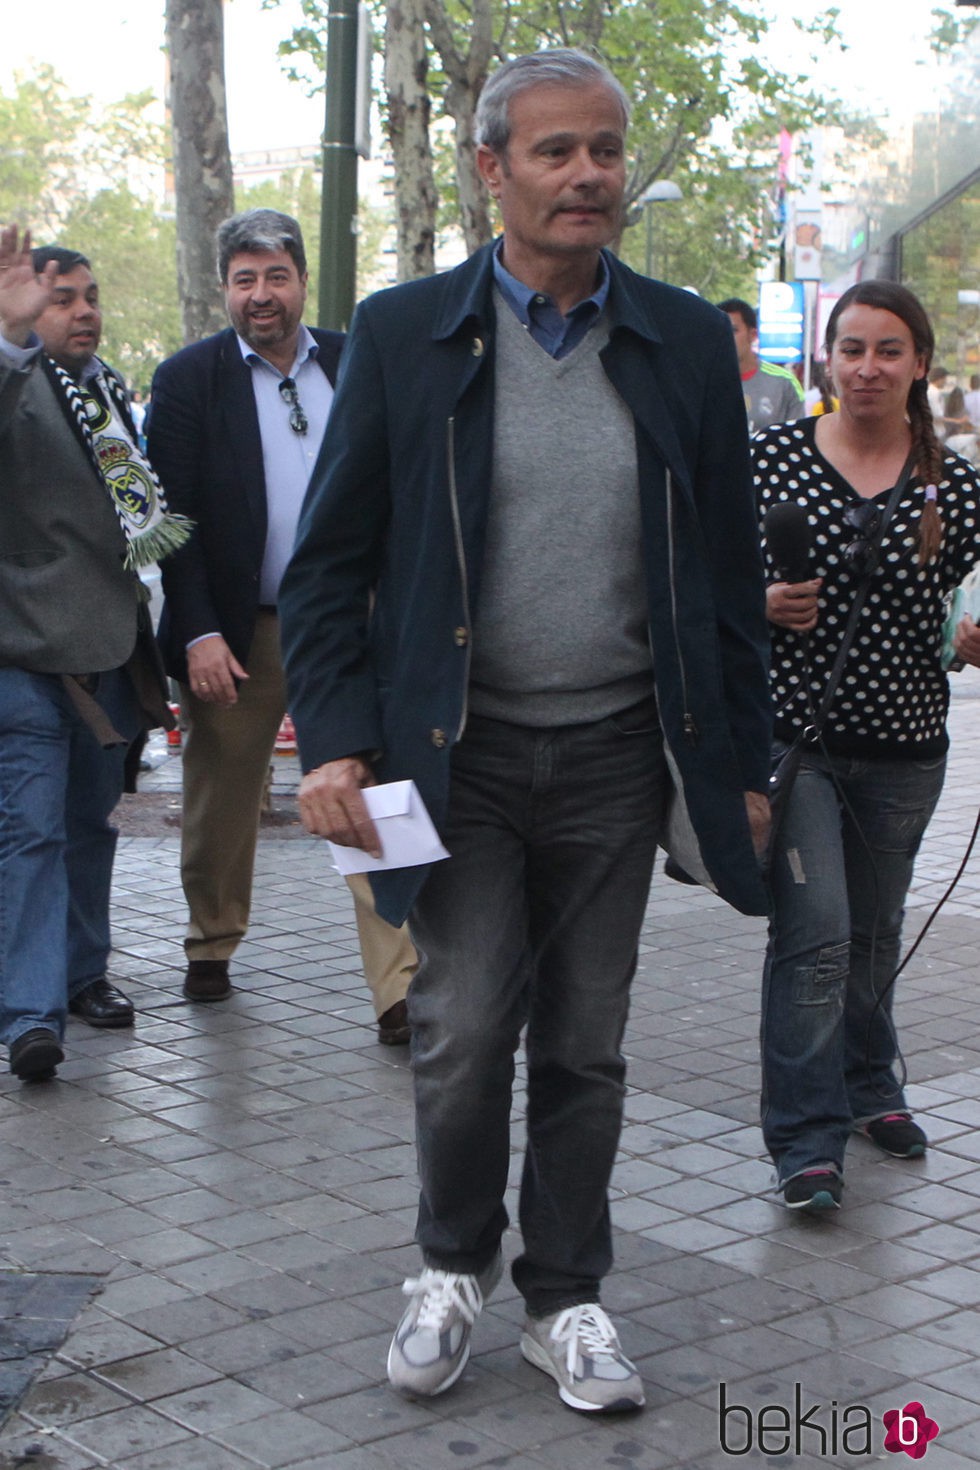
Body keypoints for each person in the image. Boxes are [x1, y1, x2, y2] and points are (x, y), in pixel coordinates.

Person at [280, 50, 771, 1413]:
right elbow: (329, 567)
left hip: (623, 755)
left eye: (605, 151)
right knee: (461, 1025)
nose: (588, 176)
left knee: (586, 1041)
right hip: (460, 757)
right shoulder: (403, 333)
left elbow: (728, 578)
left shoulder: (678, 338)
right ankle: (449, 1263)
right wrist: (335, 738)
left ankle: (566, 1292)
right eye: (555, 152)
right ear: (492, 169)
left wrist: (746, 769)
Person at [148, 209, 416, 1041]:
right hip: (241, 628)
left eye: (275, 277)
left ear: (301, 280)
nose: (260, 295)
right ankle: (212, 941)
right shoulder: (190, 379)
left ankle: (401, 986)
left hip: (351, 623)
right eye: (244, 279)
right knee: (223, 795)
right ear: (225, 288)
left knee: (372, 786)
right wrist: (196, 632)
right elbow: (172, 519)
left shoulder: (355, 357)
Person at [756, 280, 980, 1214]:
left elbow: (961, 608)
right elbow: (697, 588)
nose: (868, 368)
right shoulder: (771, 461)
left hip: (905, 750)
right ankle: (806, 1140)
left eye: (889, 350)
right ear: (827, 361)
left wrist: (968, 639)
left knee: (875, 934)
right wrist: (756, 606)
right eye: (852, 349)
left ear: (920, 363)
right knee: (814, 941)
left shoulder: (955, 487)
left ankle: (869, 1084)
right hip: (797, 752)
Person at [0, 226, 181, 1082]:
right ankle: (30, 1016)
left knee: (87, 824)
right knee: (30, 830)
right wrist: (4, 337)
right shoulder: (17, 383)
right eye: (61, 297)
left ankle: (83, 973)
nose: (82, 312)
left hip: (112, 645)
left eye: (90, 296)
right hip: (24, 652)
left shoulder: (105, 391)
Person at [717, 297, 805, 433]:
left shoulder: (784, 383)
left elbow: (799, 436)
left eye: (733, 330)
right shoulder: (703, 383)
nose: (725, 337)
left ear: (753, 334)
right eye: (718, 331)